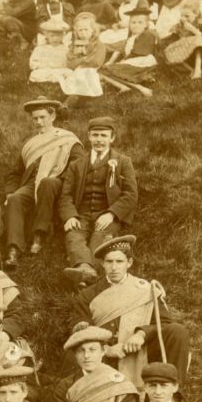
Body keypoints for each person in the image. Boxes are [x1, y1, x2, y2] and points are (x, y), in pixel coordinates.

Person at [72, 235, 190, 389]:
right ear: (102, 264)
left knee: (178, 331)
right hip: (107, 353)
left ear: (129, 263)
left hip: (142, 348)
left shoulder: (145, 289)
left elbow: (164, 323)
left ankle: (174, 392)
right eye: (109, 262)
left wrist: (141, 334)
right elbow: (80, 332)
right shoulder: (88, 294)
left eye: (119, 261)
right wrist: (106, 350)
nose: (114, 267)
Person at [3, 98, 85, 266]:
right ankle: (14, 249)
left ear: (52, 116)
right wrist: (10, 191)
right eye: (35, 119)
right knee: (15, 199)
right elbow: (15, 173)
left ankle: (39, 235)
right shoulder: (30, 144)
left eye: (42, 117)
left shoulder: (68, 139)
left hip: (58, 183)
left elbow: (79, 168)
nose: (38, 122)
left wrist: (58, 178)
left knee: (47, 182)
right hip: (32, 184)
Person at [59, 117, 139, 286]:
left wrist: (111, 214)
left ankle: (83, 275)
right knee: (74, 236)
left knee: (99, 240)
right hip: (82, 214)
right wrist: (70, 216)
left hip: (107, 214)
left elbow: (131, 194)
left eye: (103, 135)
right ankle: (86, 270)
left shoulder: (124, 162)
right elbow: (65, 196)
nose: (99, 140)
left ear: (112, 138)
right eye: (95, 135)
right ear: (88, 136)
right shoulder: (77, 164)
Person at [61, 12, 107, 106]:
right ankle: (70, 99)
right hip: (78, 69)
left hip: (93, 69)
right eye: (80, 30)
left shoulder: (98, 44)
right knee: (70, 75)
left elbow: (96, 62)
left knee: (85, 74)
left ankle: (75, 100)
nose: (83, 33)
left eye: (86, 30)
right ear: (76, 32)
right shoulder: (75, 45)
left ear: (93, 30)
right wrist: (83, 59)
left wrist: (79, 61)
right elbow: (70, 63)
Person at [30, 17, 73, 84]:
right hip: (46, 70)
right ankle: (55, 79)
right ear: (47, 36)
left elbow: (69, 62)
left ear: (62, 36)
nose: (55, 39)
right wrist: (40, 65)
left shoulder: (65, 49)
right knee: (35, 74)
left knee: (69, 72)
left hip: (60, 70)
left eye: (58, 36)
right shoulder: (40, 48)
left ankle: (56, 78)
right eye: (52, 36)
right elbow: (33, 62)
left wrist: (64, 65)